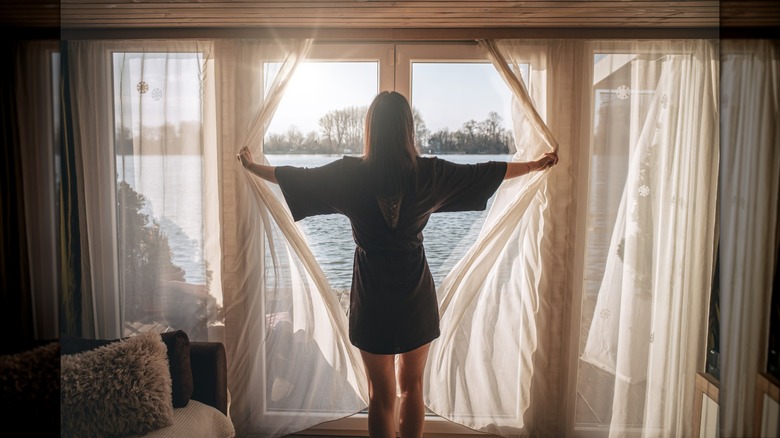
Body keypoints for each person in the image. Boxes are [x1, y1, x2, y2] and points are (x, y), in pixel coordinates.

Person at [238, 91, 558, 438]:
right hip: (414, 293)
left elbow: (296, 176)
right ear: (408, 130)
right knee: (413, 387)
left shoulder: (349, 175)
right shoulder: (428, 174)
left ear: (370, 129)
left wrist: (252, 166)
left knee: (380, 396)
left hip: (371, 295)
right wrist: (534, 165)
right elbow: (484, 174)